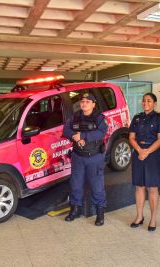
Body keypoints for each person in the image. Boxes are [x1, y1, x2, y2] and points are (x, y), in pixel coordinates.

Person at [62, 93, 108, 226]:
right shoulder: (75, 116)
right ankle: (75, 210)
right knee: (75, 185)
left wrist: (83, 136)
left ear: (93, 104)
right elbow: (66, 130)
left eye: (88, 101)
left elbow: (101, 132)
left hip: (94, 157)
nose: (84, 103)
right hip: (78, 156)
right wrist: (74, 136)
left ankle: (100, 214)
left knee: (97, 187)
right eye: (82, 101)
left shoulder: (99, 118)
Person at [129, 93, 160, 231]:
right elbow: (131, 137)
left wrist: (147, 151)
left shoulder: (159, 118)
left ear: (154, 103)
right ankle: (139, 216)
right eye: (144, 100)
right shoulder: (137, 118)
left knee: (152, 187)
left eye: (149, 101)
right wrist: (140, 150)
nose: (145, 103)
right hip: (138, 154)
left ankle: (153, 219)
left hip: (153, 155)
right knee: (139, 186)